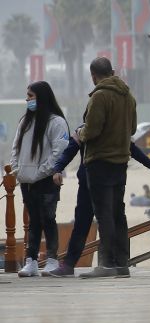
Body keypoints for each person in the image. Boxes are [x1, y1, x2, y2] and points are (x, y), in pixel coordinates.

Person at [48, 137, 150, 277]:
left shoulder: (113, 130)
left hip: (109, 183)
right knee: (85, 224)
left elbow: (133, 150)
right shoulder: (88, 130)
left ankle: (114, 264)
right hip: (90, 183)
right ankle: (71, 264)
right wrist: (58, 168)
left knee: (109, 222)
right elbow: (69, 151)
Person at [74, 57, 136, 279]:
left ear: (93, 76)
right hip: (120, 162)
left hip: (99, 161)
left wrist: (80, 133)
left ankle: (106, 264)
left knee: (104, 214)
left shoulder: (99, 96)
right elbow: (133, 128)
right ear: (113, 71)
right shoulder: (128, 96)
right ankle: (122, 264)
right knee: (118, 213)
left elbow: (92, 131)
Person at [9, 81, 69, 277]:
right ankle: (31, 260)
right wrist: (18, 170)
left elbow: (58, 152)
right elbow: (15, 149)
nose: (27, 100)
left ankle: (52, 259)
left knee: (48, 218)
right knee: (34, 219)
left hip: (47, 179)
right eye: (27, 96)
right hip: (26, 180)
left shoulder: (56, 122)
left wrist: (41, 172)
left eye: (31, 96)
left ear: (42, 97)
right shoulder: (24, 122)